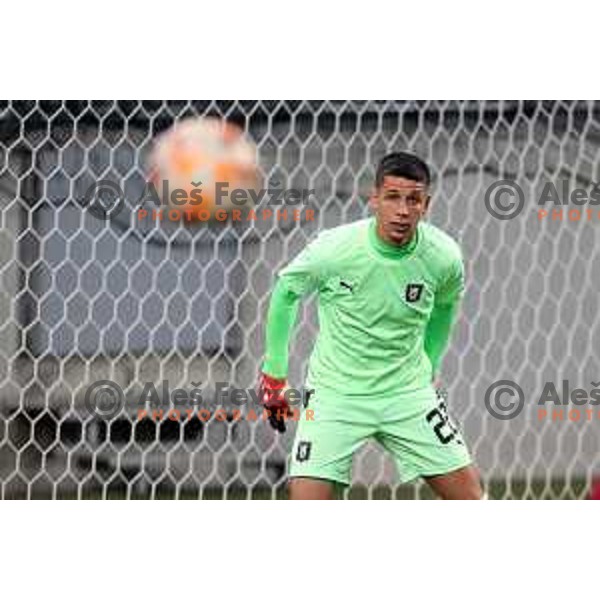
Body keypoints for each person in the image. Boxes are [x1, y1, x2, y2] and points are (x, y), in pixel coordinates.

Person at [259, 152, 483, 500]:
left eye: (414, 200)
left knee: (471, 499)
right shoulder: (335, 249)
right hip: (335, 394)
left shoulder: (444, 256)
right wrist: (274, 376)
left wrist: (430, 364)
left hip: (407, 393)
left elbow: (444, 308)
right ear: (374, 199)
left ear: (427, 204)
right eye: (393, 197)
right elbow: (286, 291)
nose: (403, 210)